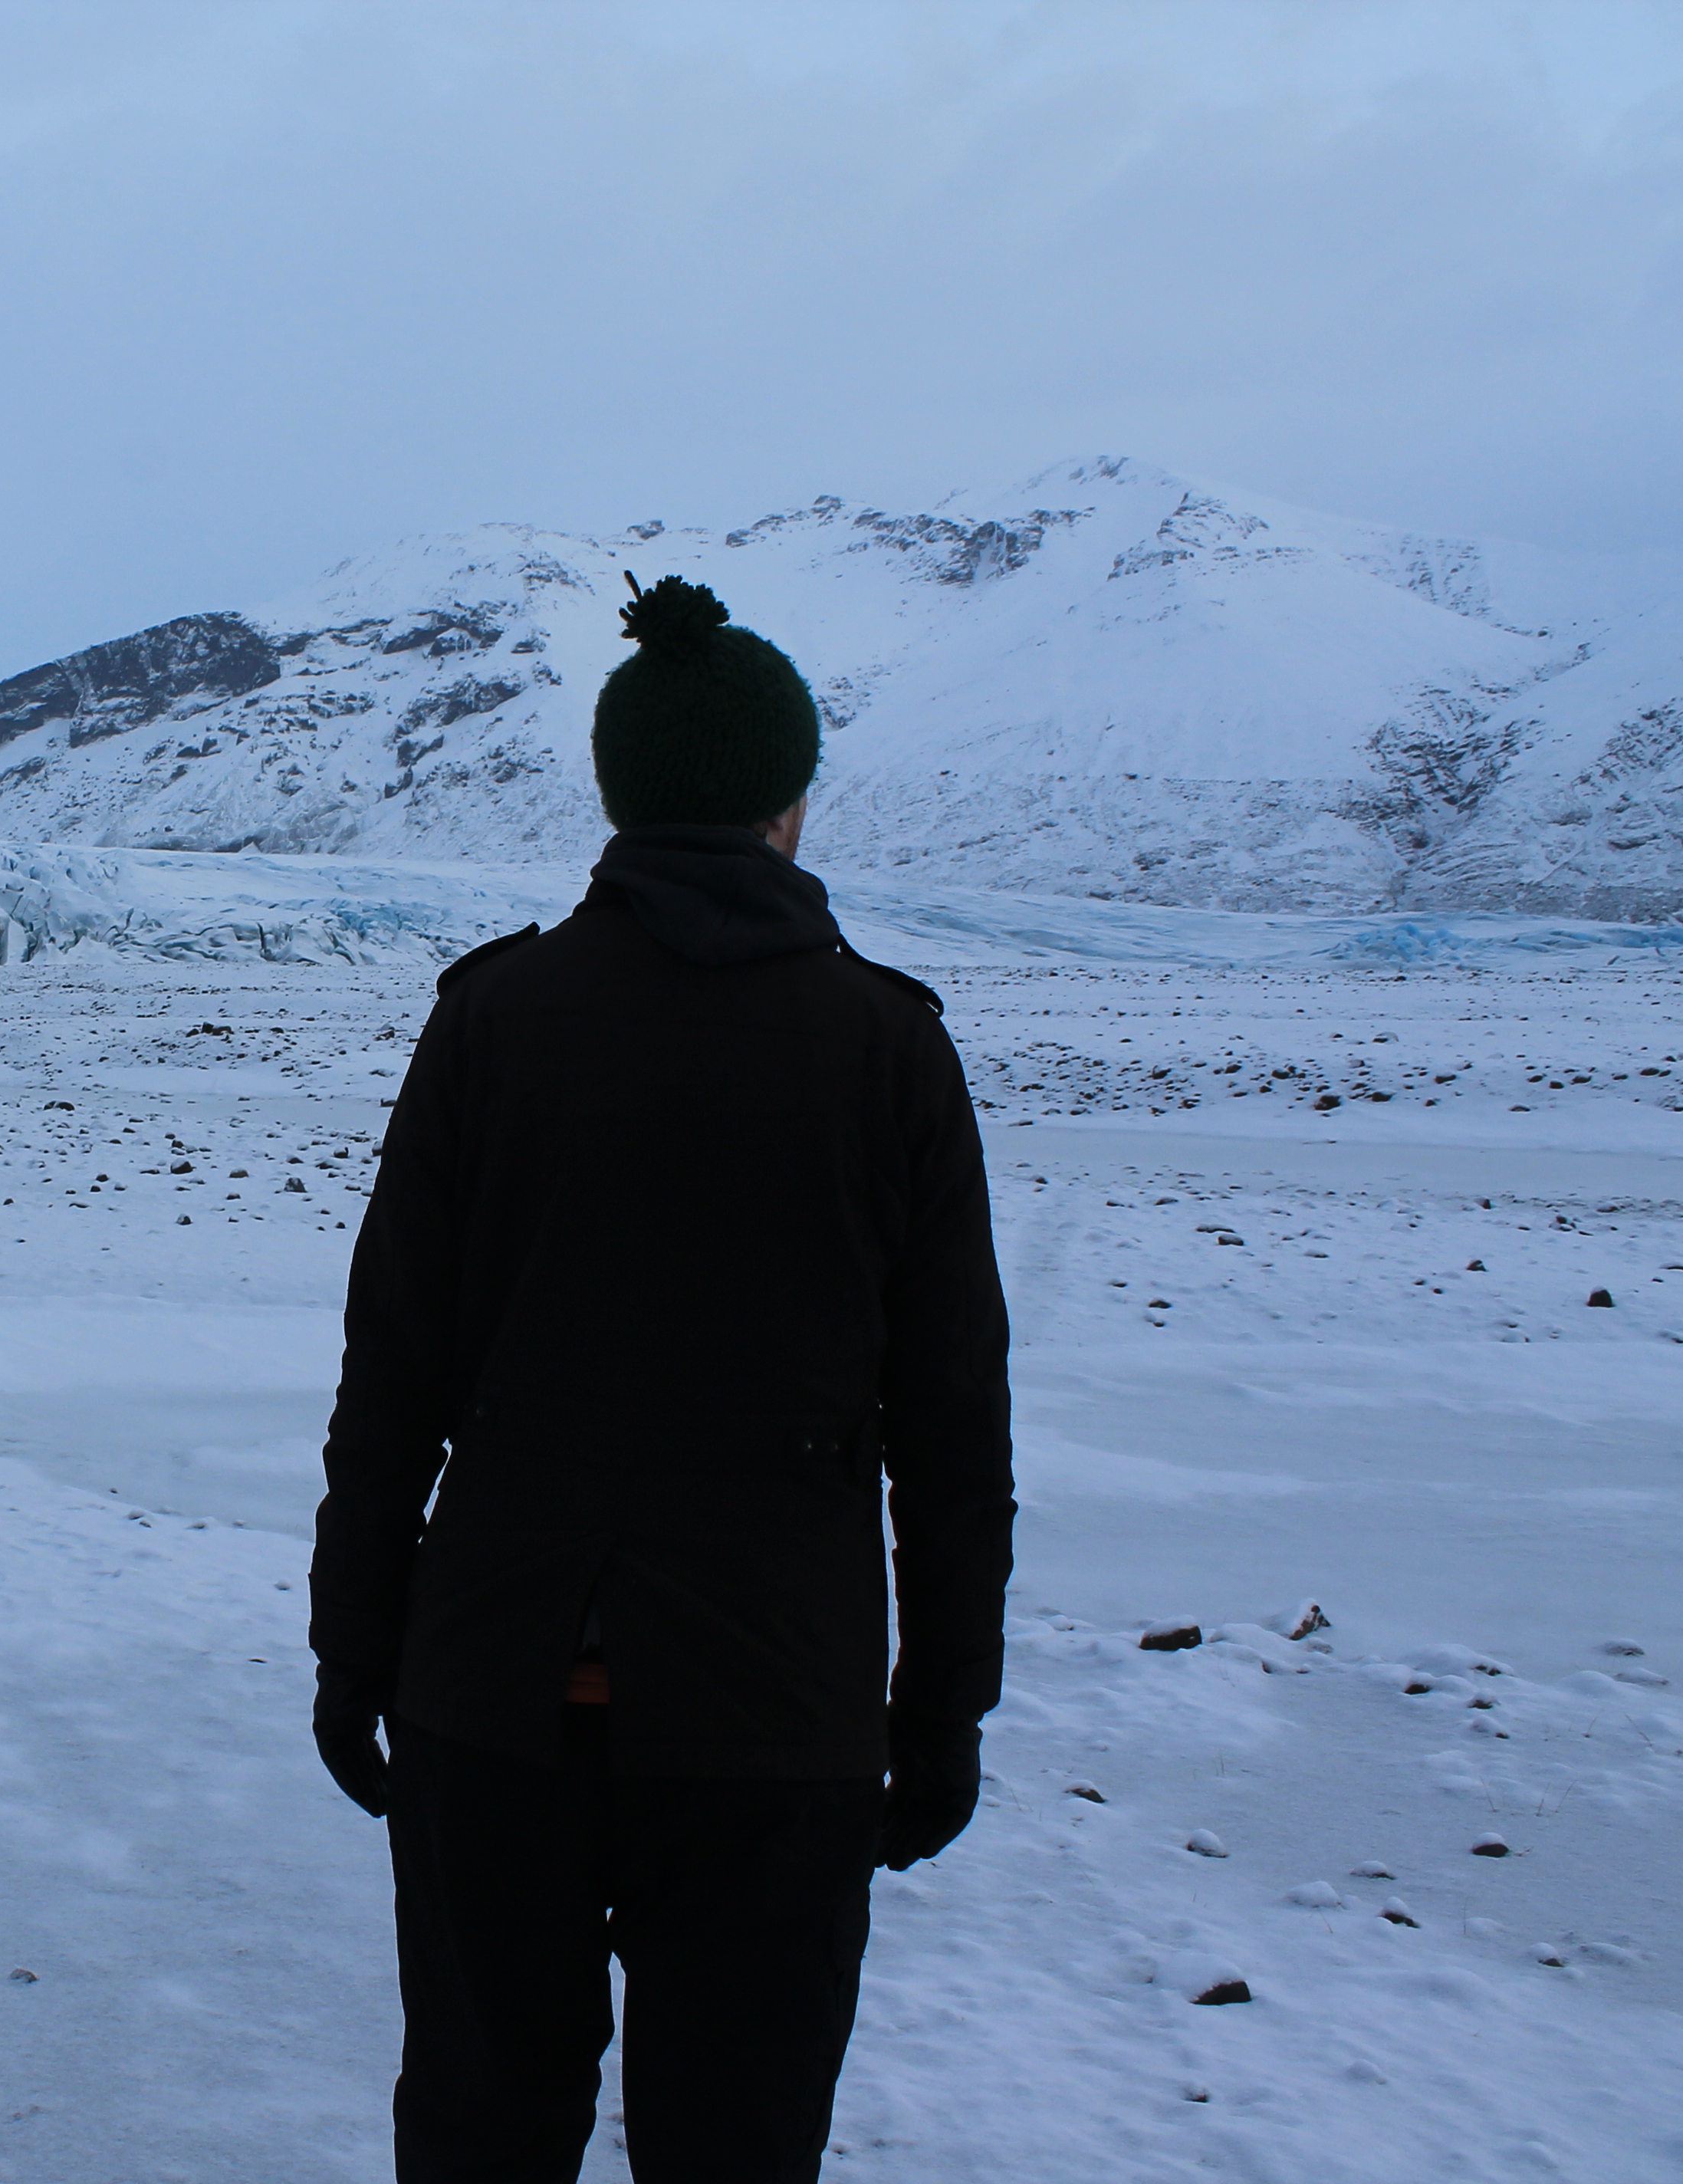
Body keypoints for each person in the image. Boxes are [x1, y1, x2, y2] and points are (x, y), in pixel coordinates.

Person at [307, 572, 1015, 2183]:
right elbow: (953, 1429)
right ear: (787, 805)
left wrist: (357, 1648)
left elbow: (392, 1382)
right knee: (738, 2149)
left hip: (495, 1695)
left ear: (624, 796)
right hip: (775, 1713)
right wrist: (942, 1708)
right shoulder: (886, 1045)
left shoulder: (493, 1021)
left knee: (484, 2134)